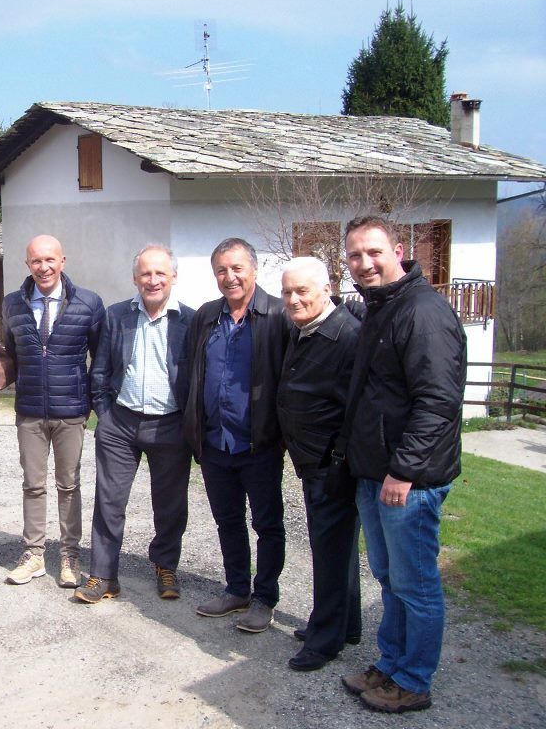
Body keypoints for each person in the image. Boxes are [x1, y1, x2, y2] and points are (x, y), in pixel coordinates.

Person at [339, 215, 465, 714]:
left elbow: (438, 401)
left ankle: (413, 681)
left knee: (416, 584)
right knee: (390, 578)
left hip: (408, 480)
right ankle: (390, 664)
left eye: (374, 252)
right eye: (354, 255)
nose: (364, 263)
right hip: (377, 473)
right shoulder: (382, 307)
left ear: (398, 250)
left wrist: (404, 470)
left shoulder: (423, 311)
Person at [74, 245, 194, 603]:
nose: (152, 280)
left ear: (173, 277)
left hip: (170, 425)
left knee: (170, 504)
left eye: (160, 273)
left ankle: (166, 566)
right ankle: (103, 575)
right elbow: (100, 369)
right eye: (145, 273)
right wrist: (106, 415)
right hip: (120, 424)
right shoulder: (116, 316)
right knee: (109, 502)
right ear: (135, 278)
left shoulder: (191, 321)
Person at [185, 237, 291, 633]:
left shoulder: (277, 315)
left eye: (237, 268)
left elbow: (288, 378)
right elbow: (193, 372)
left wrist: (281, 435)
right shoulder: (207, 316)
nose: (229, 277)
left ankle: (264, 598)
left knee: (267, 524)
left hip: (258, 443)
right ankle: (236, 590)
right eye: (221, 270)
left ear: (254, 270)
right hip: (215, 443)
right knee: (227, 520)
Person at [1, 235, 104, 588]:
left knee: (69, 485)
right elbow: (12, 352)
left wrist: (92, 402)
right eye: (36, 261)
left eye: (49, 260)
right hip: (30, 410)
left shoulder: (89, 303)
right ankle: (33, 555)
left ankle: (69, 556)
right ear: (27, 265)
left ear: (62, 261)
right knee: (32, 484)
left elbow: (100, 358)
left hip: (71, 411)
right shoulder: (13, 304)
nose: (43, 267)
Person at [275, 256, 362, 671]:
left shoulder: (346, 336)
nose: (293, 300)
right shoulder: (303, 328)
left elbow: (355, 409)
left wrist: (338, 460)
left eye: (302, 291)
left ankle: (325, 640)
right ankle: (346, 625)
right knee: (338, 549)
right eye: (287, 292)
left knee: (329, 551)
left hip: (332, 464)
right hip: (313, 461)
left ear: (326, 290)